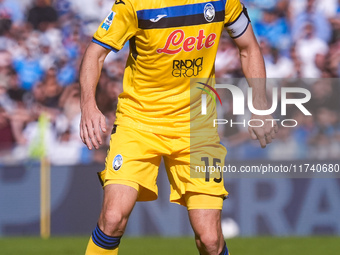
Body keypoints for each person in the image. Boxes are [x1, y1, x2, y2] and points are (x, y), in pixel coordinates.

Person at [79, 0, 278, 254]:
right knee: (113, 219)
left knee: (210, 240)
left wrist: (260, 105)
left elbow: (249, 47)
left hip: (199, 129)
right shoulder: (134, 4)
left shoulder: (224, 2)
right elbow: (95, 53)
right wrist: (88, 106)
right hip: (139, 123)